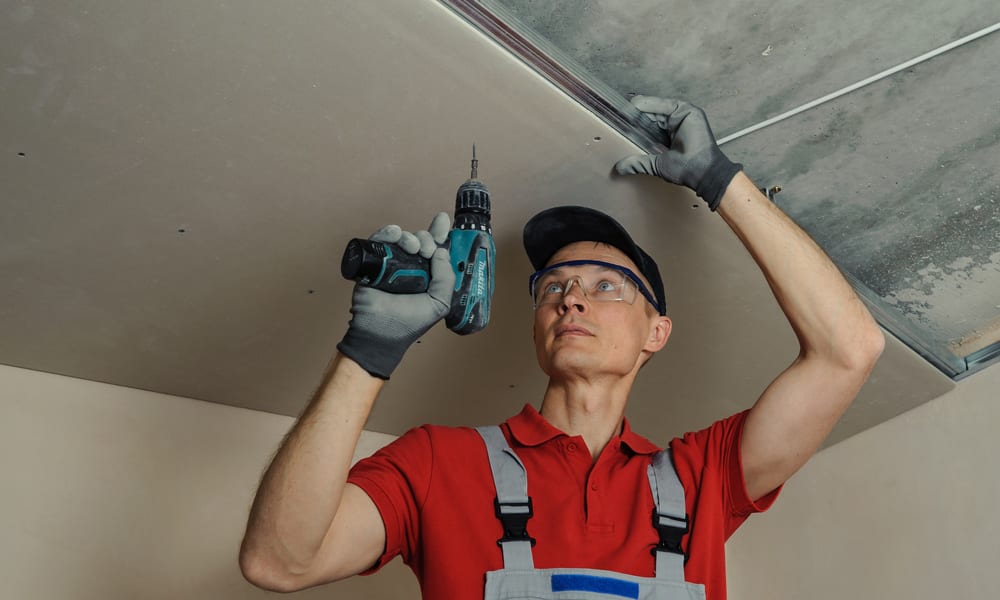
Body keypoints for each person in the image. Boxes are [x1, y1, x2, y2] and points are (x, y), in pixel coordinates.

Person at [239, 97, 885, 599]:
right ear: (538, 323)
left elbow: (850, 348)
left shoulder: (702, 481)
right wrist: (366, 352)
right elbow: (278, 562)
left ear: (655, 333)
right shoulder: (439, 463)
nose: (572, 298)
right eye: (554, 286)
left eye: (607, 287)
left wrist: (718, 179)